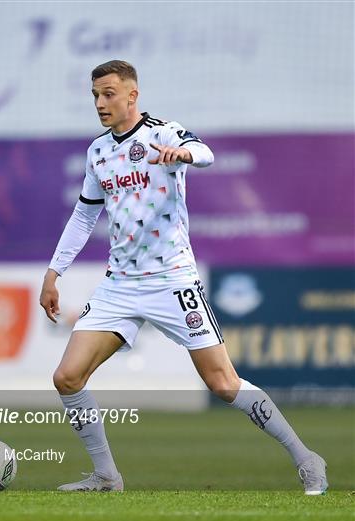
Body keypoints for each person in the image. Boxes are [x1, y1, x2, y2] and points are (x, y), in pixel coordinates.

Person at [40, 60, 328, 495]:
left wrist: (186, 154)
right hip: (120, 284)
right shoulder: (98, 151)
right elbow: (84, 215)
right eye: (95, 94)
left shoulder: (162, 132)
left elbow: (206, 154)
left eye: (109, 93)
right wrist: (54, 272)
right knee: (67, 377)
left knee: (223, 383)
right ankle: (106, 476)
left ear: (132, 95)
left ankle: (308, 460)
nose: (100, 102)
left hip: (172, 280)